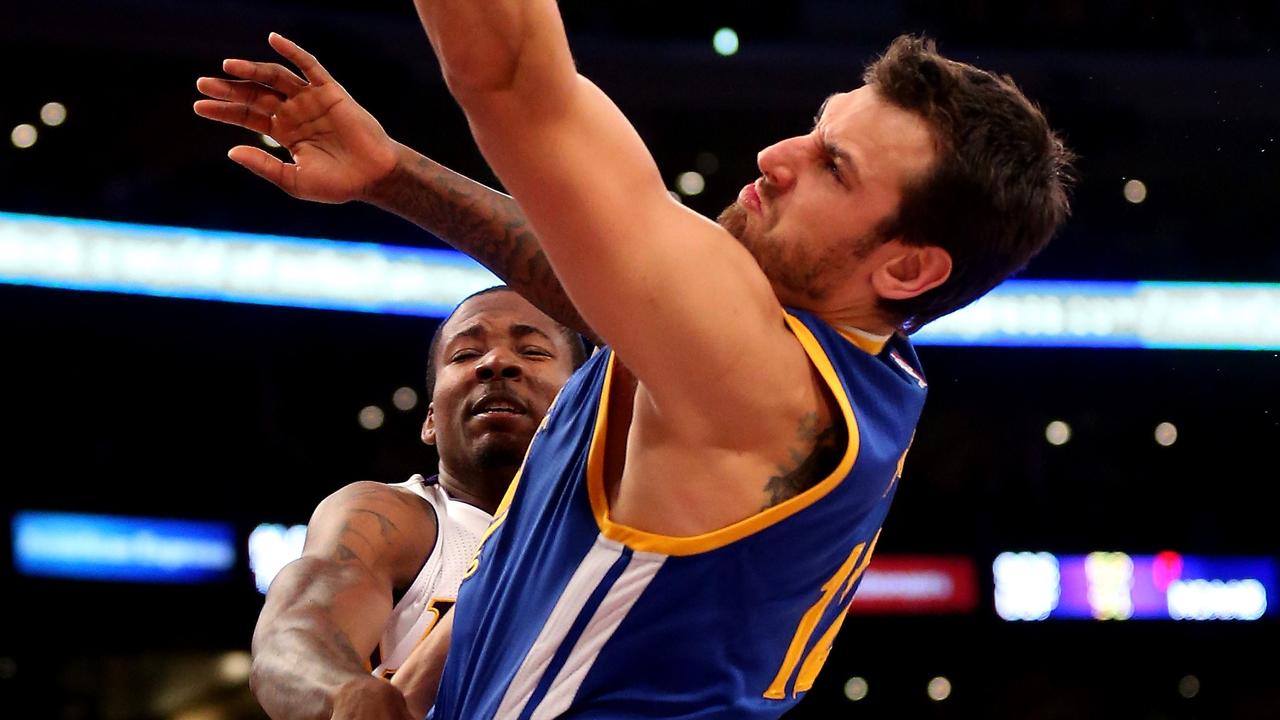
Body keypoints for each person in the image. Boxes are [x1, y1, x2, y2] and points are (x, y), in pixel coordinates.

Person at [196, 19, 1073, 717]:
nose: (778, 155)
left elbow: (510, 77)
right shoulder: (852, 367)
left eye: (831, 168)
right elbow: (588, 276)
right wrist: (393, 173)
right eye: (815, 129)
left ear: (908, 269)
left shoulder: (758, 377)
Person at [246, 286, 584, 720]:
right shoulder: (391, 517)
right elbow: (289, 640)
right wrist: (345, 694)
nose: (495, 362)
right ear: (429, 421)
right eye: (464, 355)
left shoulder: (632, 536)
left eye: (533, 351)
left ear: (584, 404)